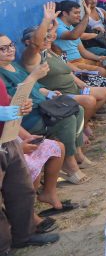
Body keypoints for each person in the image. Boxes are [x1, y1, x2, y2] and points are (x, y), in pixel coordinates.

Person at [0, 41, 88, 185]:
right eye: (2, 48)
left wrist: (49, 93)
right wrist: (33, 77)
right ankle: (69, 163)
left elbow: (37, 87)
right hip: (28, 116)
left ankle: (76, 152)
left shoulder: (14, 65)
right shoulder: (1, 75)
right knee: (66, 120)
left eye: (10, 45)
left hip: (44, 107)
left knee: (77, 109)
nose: (9, 50)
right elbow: (16, 101)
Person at [20, 4, 106, 129]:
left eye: (47, 36)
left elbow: (47, 40)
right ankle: (82, 130)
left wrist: (54, 26)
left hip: (74, 88)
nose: (46, 39)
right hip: (60, 94)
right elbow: (36, 43)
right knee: (89, 101)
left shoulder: (47, 51)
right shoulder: (32, 57)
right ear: (27, 42)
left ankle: (85, 121)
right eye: (43, 37)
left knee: (104, 92)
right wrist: (46, 20)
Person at [0, 80, 60, 252]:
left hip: (8, 139)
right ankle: (3, 248)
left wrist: (18, 105)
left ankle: (24, 235)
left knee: (21, 190)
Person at [54, 1, 106, 78]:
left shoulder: (71, 27)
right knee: (101, 71)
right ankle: (100, 85)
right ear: (65, 13)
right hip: (70, 64)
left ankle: (104, 83)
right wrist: (86, 15)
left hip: (81, 60)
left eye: (79, 13)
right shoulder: (57, 26)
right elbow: (73, 36)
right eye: (76, 13)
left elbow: (82, 51)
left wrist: (99, 58)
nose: (79, 16)